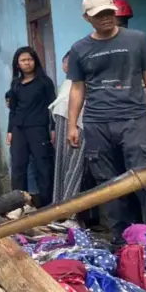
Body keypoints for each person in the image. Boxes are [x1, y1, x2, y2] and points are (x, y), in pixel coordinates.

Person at [67, 0, 146, 242]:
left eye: (109, 12)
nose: (106, 18)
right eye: (99, 15)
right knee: (109, 184)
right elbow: (77, 88)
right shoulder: (79, 49)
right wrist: (72, 125)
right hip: (97, 124)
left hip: (134, 120)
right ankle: (121, 241)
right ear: (87, 18)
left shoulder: (138, 40)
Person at [7, 46, 57, 206]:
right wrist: (10, 130)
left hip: (39, 129)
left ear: (35, 61)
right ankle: (18, 205)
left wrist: (53, 128)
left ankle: (46, 205)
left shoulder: (44, 82)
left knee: (43, 167)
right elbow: (13, 110)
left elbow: (52, 106)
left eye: (30, 59)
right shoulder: (16, 84)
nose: (27, 63)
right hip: (19, 130)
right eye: (23, 60)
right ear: (17, 64)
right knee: (18, 167)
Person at [51, 52, 86, 204]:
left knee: (75, 166)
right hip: (63, 124)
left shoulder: (82, 82)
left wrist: (74, 127)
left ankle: (69, 212)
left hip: (79, 125)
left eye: (70, 62)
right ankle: (59, 207)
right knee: (62, 165)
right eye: (65, 61)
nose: (67, 65)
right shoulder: (67, 84)